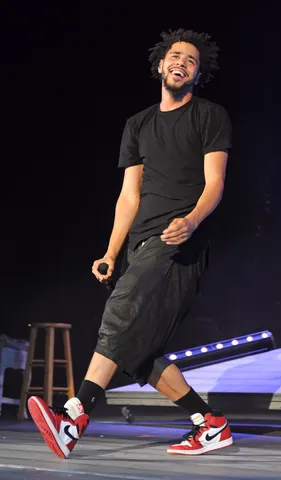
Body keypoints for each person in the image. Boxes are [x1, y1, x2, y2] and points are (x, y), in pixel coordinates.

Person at [28, 28, 233, 458]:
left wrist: (191, 222)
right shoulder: (137, 124)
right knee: (140, 352)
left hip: (179, 243)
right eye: (175, 56)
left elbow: (215, 184)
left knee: (120, 312)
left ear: (198, 73)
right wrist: (110, 251)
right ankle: (210, 423)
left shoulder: (210, 116)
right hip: (139, 244)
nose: (182, 62)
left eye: (191, 60)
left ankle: (74, 416)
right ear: (161, 64)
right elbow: (129, 196)